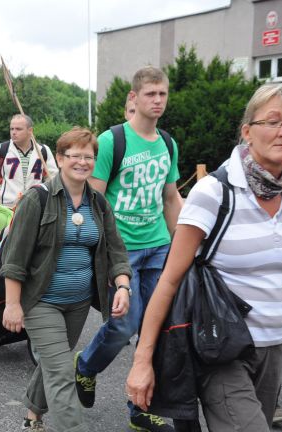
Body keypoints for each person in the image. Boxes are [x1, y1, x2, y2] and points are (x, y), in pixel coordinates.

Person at [126, 83, 282, 430]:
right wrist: (142, 360)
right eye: (273, 121)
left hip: (276, 343)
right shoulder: (214, 191)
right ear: (248, 132)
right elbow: (170, 279)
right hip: (220, 344)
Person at [0, 127, 131, 432]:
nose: (83, 162)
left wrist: (122, 284)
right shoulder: (38, 199)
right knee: (61, 374)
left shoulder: (98, 203)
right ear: (59, 158)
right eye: (75, 155)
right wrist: (13, 304)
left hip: (79, 303)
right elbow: (14, 259)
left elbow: (116, 250)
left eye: (89, 156)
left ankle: (32, 416)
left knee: (53, 363)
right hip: (41, 301)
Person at [73, 66, 181, 431]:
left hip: (159, 248)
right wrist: (96, 251)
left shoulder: (168, 143)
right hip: (121, 252)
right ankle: (86, 366)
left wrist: (184, 242)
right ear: (134, 98)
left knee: (159, 330)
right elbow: (94, 200)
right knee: (125, 326)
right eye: (151, 94)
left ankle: (140, 411)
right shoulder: (111, 141)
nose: (158, 100)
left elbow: (170, 198)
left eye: (163, 94)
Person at [0, 114, 58, 208]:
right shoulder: (1, 149)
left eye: (18, 129)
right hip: (7, 206)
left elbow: (53, 178)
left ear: (30, 131)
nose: (13, 132)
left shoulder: (43, 151)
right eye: (11, 129)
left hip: (35, 206)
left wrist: (44, 195)